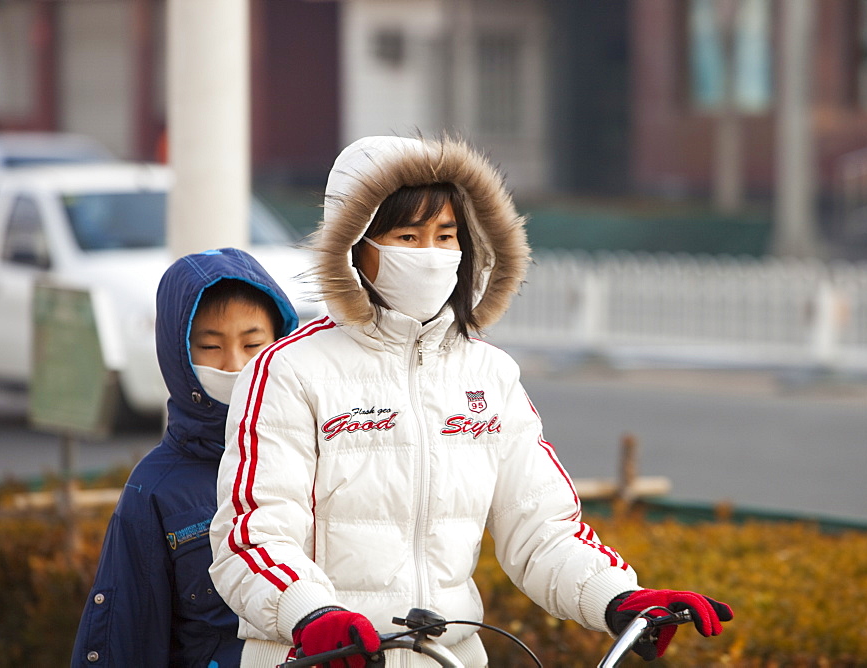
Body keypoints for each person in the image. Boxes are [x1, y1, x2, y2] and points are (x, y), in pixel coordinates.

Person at [210, 136, 733, 667]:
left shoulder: (488, 373)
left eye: (445, 236)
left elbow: (541, 527)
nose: (431, 256)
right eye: (408, 236)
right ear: (355, 243)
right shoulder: (289, 370)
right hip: (324, 657)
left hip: (450, 657)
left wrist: (620, 598)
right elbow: (252, 535)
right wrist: (311, 614)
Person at [72, 248, 299, 667]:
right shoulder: (155, 490)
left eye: (253, 343)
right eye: (211, 346)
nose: (235, 365)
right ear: (178, 356)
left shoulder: (313, 453)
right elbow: (125, 641)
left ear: (282, 343)